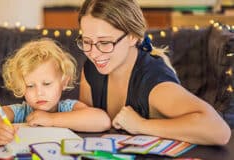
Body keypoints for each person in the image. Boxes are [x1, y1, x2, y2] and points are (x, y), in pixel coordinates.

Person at [76, 0, 231, 145]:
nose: (94, 54)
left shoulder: (154, 83)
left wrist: (142, 125)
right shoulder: (91, 70)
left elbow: (220, 131)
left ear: (132, 37)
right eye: (87, 41)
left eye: (104, 42)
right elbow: (86, 129)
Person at [0, 39, 111, 145]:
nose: (39, 92)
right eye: (30, 86)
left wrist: (51, 119)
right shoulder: (19, 113)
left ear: (64, 82)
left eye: (47, 83)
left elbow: (102, 120)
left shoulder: (68, 108)